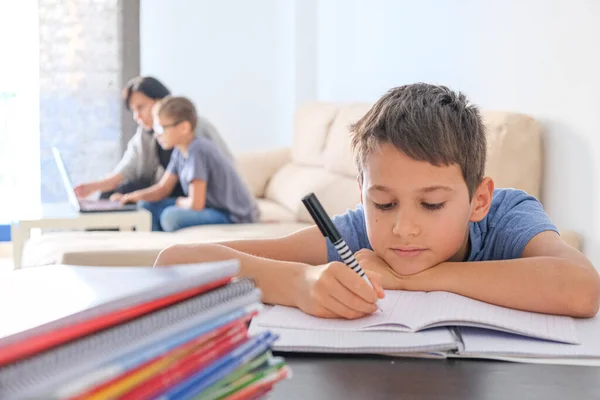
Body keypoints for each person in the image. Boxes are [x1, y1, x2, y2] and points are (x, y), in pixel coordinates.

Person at [153, 83, 600, 319]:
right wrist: (298, 283)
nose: (403, 228)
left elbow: (583, 289)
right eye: (383, 204)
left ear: (478, 199)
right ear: (361, 196)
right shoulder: (352, 235)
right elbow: (175, 260)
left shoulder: (507, 214)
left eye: (431, 204)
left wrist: (417, 279)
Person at [73, 76, 233, 201]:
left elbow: (226, 166)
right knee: (111, 193)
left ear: (160, 101)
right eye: (133, 110)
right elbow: (126, 170)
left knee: (137, 198)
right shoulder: (144, 134)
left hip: (194, 191)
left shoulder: (194, 127)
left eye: (141, 107)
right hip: (165, 188)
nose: (137, 116)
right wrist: (92, 187)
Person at [119, 96, 259, 232]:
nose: (156, 135)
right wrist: (135, 196)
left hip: (231, 215)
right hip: (207, 207)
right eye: (155, 129)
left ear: (184, 127)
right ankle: (154, 245)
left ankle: (163, 240)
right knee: (146, 206)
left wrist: (178, 201)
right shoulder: (179, 151)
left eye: (161, 129)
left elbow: (195, 204)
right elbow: (162, 188)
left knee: (170, 217)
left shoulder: (198, 150)